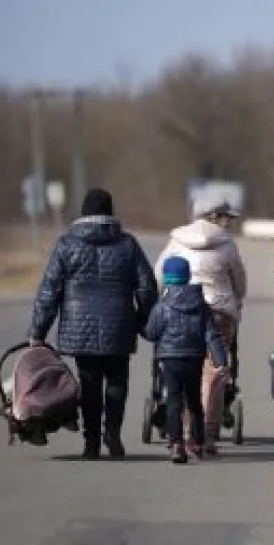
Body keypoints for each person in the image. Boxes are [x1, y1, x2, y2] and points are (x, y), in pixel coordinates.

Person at [28, 188, 158, 460]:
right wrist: (141, 319)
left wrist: (38, 331)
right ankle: (112, 432)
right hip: (119, 323)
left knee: (89, 384)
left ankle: (91, 443)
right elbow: (146, 287)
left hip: (79, 327)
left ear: (84, 212)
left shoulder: (67, 245)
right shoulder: (127, 244)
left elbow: (49, 291)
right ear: (110, 211)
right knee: (117, 381)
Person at [154, 193, 247, 456]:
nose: (229, 223)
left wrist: (164, 300)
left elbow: (159, 274)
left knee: (185, 367)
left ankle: (185, 431)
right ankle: (207, 432)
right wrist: (236, 302)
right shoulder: (227, 243)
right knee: (214, 372)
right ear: (214, 217)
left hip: (180, 310)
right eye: (226, 217)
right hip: (219, 311)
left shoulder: (177, 241)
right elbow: (239, 280)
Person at [142, 256, 229, 464]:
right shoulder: (200, 305)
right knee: (194, 400)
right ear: (188, 276)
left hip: (170, 359)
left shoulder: (162, 306)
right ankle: (197, 441)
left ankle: (176, 445)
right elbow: (211, 334)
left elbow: (152, 332)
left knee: (173, 400)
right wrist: (221, 360)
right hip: (194, 357)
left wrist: (144, 329)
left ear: (166, 278)